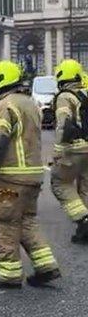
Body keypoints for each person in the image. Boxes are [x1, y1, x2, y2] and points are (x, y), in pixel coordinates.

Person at [0, 61, 60, 288]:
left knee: (2, 221)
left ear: (0, 82)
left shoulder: (5, 105)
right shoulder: (29, 103)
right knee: (27, 221)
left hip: (11, 180)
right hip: (32, 177)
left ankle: (9, 275)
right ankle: (46, 267)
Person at [50, 59, 88, 243]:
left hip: (74, 148)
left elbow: (63, 123)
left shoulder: (65, 96)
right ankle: (84, 231)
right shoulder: (83, 94)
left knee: (60, 183)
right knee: (85, 188)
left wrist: (58, 151)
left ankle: (84, 220)